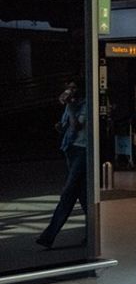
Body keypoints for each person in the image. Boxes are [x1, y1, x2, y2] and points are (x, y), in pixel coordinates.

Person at [37, 81, 88, 249]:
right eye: (69, 88)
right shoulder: (70, 105)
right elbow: (66, 126)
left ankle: (49, 235)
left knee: (68, 191)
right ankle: (93, 231)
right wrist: (60, 126)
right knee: (81, 193)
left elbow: (77, 125)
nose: (70, 91)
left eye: (74, 87)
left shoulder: (86, 104)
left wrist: (70, 108)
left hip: (82, 149)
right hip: (70, 149)